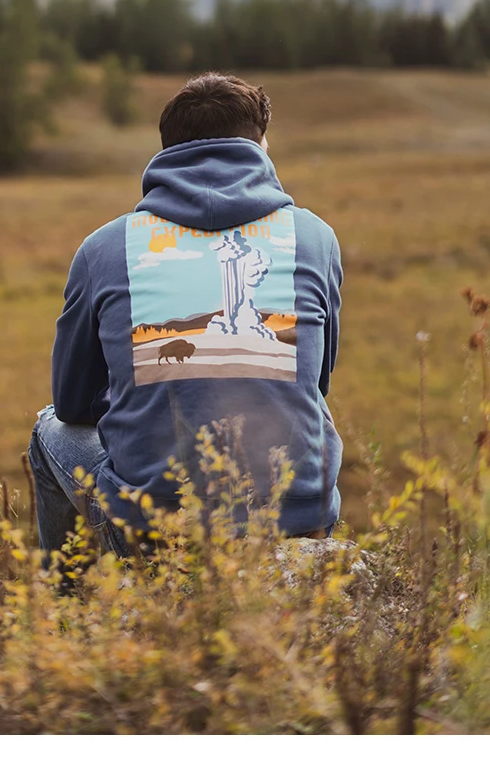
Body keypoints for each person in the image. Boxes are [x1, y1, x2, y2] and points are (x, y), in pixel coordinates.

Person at [27, 72, 343, 558]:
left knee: (49, 428)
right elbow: (316, 382)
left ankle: (69, 600)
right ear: (261, 144)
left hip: (157, 527)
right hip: (298, 517)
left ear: (167, 152)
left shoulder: (106, 247)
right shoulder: (314, 238)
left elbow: (71, 404)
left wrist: (148, 395)